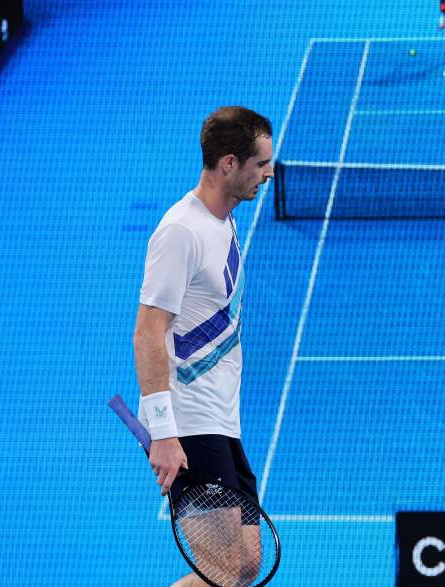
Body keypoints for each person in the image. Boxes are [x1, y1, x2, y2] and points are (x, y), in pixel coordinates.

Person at [133, 106, 274, 587]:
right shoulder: (180, 232)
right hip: (190, 423)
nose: (269, 173)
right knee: (221, 572)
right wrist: (164, 432)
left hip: (222, 419)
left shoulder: (224, 221)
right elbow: (148, 331)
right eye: (260, 164)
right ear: (229, 164)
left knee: (247, 564)